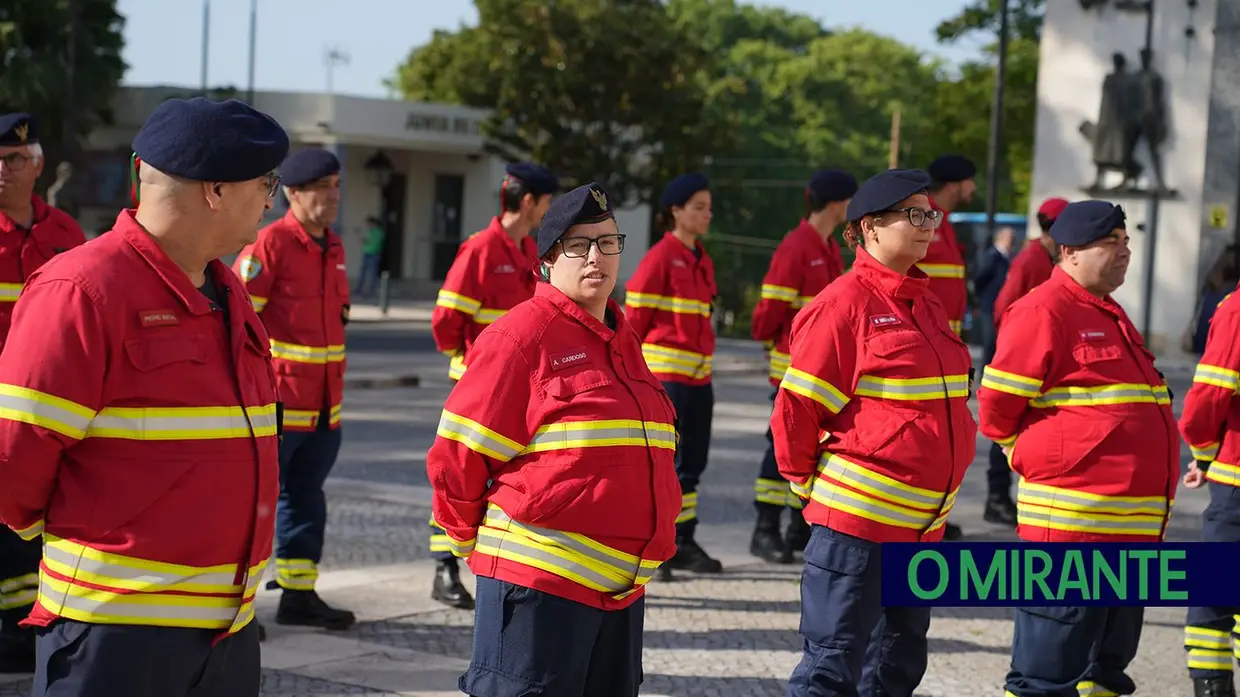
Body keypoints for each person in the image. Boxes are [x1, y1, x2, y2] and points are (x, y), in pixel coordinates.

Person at [0, 96, 286, 696]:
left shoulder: (226, 289)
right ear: (215, 190)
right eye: (266, 183)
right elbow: (13, 462)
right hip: (116, 636)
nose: (270, 200)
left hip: (229, 631)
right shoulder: (83, 290)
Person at [427, 182, 680, 697]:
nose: (596, 257)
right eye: (578, 245)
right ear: (546, 260)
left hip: (619, 594)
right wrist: (472, 546)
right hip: (540, 588)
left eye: (607, 242)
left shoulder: (621, 338)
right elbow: (457, 457)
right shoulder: (521, 336)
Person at [773, 169, 976, 697]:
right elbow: (796, 412)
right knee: (831, 672)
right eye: (914, 214)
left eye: (931, 213)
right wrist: (808, 486)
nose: (928, 224)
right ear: (869, 227)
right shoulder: (843, 304)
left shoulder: (926, 303)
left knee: (894, 669)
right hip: (858, 530)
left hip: (922, 529)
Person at [978, 200, 1178, 697]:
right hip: (1073, 530)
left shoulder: (1109, 312)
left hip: (1130, 532)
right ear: (1069, 251)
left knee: (1106, 670)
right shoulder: (1043, 310)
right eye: (1110, 242)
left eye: (1126, 241)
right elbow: (998, 410)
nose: (1124, 251)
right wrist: (1033, 457)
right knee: (1046, 673)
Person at [234, 147, 355, 631]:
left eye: (337, 186)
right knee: (256, 505)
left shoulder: (334, 247)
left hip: (324, 410)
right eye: (322, 188)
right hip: (279, 408)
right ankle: (237, 606)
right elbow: (239, 324)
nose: (333, 196)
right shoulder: (270, 244)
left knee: (307, 502)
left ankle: (299, 595)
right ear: (293, 194)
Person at [427, 162, 557, 609]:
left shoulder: (530, 251)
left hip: (524, 388)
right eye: (546, 202)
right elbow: (446, 319)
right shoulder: (481, 249)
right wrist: (472, 362)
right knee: (459, 472)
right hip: (479, 387)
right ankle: (444, 568)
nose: (548, 211)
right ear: (528, 201)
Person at [0, 112, 88, 674]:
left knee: (30, 520)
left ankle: (20, 626)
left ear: (36, 167)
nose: (2, 170)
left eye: (13, 160)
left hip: (45, 406)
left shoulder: (65, 234)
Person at [748, 168, 856, 564]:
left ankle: (797, 529)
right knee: (780, 447)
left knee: (813, 447)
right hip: (792, 369)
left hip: (820, 370)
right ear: (837, 203)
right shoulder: (797, 246)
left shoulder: (827, 247)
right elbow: (768, 314)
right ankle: (765, 529)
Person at [625, 172, 721, 578]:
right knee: (664, 464)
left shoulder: (701, 259)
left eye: (709, 208)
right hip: (667, 380)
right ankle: (655, 545)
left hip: (699, 380)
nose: (707, 215)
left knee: (692, 465)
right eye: (698, 208)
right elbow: (633, 324)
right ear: (676, 211)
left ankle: (682, 540)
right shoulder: (660, 258)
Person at [982, 196, 1068, 527]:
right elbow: (1003, 308)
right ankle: (996, 498)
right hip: (1017, 358)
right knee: (1005, 427)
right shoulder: (1030, 261)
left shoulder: (1048, 258)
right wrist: (1019, 348)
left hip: (1037, 359)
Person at [1178, 288, 1240, 697]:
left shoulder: (1236, 310)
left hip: (1236, 483)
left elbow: (1208, 397)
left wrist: (1203, 455)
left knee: (1214, 589)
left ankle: (1212, 686)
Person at [921, 154, 975, 542]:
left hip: (945, 349)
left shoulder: (945, 223)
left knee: (942, 437)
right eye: (970, 181)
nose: (974, 189)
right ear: (955, 184)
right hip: (926, 348)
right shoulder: (925, 217)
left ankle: (933, 514)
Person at [973, 225, 1014, 364]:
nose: (1012, 241)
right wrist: (979, 299)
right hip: (989, 304)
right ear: (1001, 238)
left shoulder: (1005, 257)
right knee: (989, 341)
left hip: (999, 305)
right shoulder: (993, 256)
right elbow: (980, 278)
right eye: (1010, 238)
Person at [355, 215, 385, 296]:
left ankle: (372, 289)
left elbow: (375, 243)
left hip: (374, 254)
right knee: (363, 272)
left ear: (372, 223)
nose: (367, 225)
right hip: (367, 253)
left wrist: (366, 241)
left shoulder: (378, 232)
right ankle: (359, 288)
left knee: (373, 272)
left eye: (368, 223)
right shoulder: (370, 231)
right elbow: (368, 240)